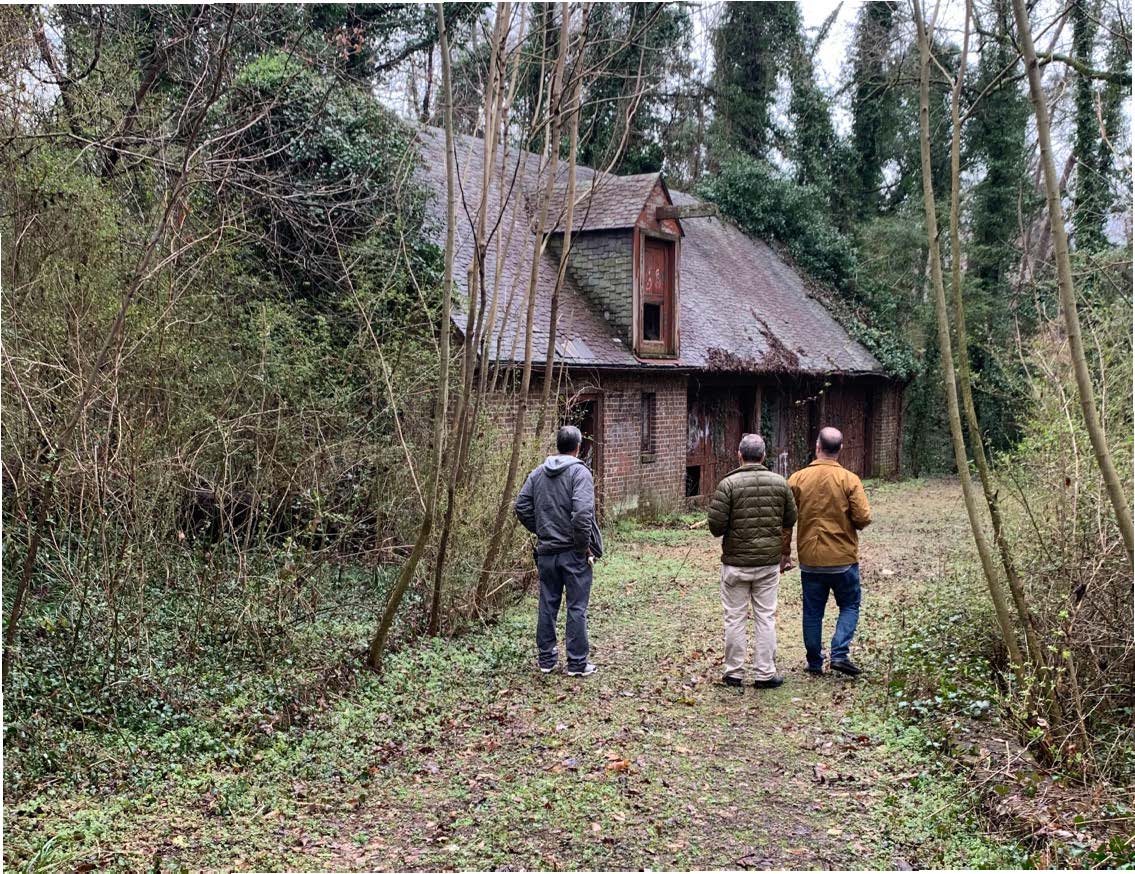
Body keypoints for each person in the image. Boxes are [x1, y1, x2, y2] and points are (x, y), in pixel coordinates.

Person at [707, 433, 797, 689]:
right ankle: (765, 673)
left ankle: (733, 672)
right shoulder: (780, 483)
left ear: (739, 455)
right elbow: (790, 518)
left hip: (735, 563)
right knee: (765, 617)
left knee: (734, 617)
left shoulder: (728, 485)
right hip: (768, 564)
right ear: (764, 456)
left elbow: (716, 526)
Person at [515, 425, 603, 677]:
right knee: (576, 607)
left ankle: (546, 660)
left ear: (558, 445)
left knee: (547, 604)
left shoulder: (537, 473)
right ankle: (576, 664)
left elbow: (521, 506)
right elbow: (583, 514)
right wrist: (581, 545)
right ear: (578, 446)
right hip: (573, 552)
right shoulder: (580, 473)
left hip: (546, 552)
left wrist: (542, 529)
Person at [787, 427, 872, 676]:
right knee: (850, 605)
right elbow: (863, 517)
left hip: (810, 558)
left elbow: (786, 519)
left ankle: (814, 662)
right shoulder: (849, 480)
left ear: (817, 447)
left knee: (813, 611)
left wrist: (784, 553)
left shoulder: (797, 479)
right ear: (840, 449)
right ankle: (839, 653)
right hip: (843, 558)